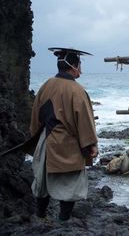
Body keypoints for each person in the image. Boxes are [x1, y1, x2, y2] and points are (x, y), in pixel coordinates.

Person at [30, 47, 98, 221]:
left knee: (42, 182)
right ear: (74, 66)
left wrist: (36, 140)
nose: (81, 70)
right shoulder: (77, 90)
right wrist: (90, 145)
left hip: (46, 142)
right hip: (68, 146)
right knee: (71, 185)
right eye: (79, 65)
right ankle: (63, 221)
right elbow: (84, 121)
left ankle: (40, 217)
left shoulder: (46, 85)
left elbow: (35, 116)